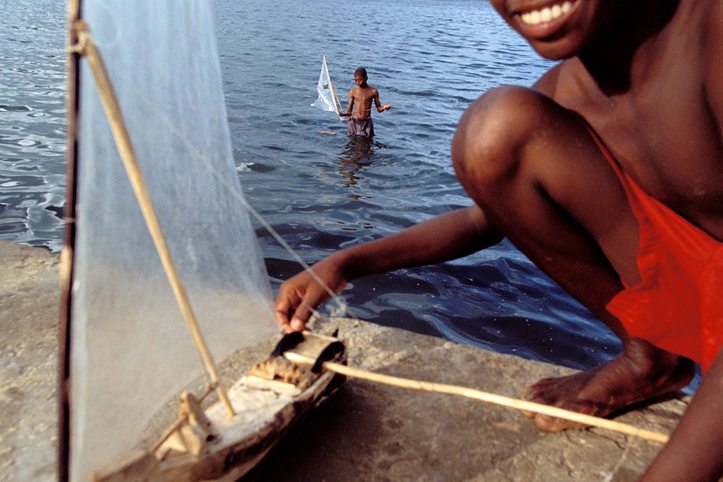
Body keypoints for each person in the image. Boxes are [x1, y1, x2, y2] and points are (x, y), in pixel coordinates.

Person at [275, 1, 723, 480]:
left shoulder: (710, 35)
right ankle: (651, 353)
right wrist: (346, 263)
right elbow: (482, 222)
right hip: (700, 298)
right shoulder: (564, 95)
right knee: (496, 134)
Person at [345, 67, 391, 137]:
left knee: (366, 143)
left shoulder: (373, 91)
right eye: (356, 80)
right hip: (354, 122)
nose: (358, 82)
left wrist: (385, 107)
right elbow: (349, 109)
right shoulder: (353, 91)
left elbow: (379, 109)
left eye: (360, 80)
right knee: (352, 142)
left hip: (366, 122)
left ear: (366, 78)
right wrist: (347, 114)